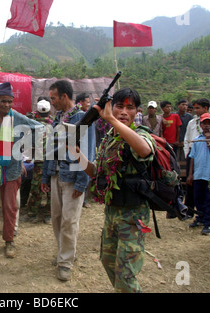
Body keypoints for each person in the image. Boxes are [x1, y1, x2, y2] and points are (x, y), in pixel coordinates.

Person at [69, 87, 155, 293]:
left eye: (130, 107)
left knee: (125, 273)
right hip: (112, 212)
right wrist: (77, 154)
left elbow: (144, 150)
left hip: (133, 216)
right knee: (108, 261)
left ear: (137, 112)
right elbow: (96, 172)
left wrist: (111, 119)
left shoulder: (140, 134)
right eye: (119, 106)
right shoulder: (109, 137)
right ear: (112, 107)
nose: (124, 111)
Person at [0, 82, 43, 259]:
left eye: (9, 101)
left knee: (10, 207)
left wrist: (23, 148)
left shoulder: (18, 118)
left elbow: (40, 127)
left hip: (12, 171)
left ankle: (9, 241)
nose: (6, 104)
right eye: (3, 101)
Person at [40, 80, 95, 281]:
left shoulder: (82, 117)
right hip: (56, 175)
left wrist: (82, 182)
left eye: (53, 98)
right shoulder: (57, 119)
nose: (51, 102)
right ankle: (66, 252)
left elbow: (87, 150)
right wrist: (46, 175)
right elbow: (50, 150)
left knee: (69, 221)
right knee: (57, 219)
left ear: (64, 96)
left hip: (72, 177)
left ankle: (65, 262)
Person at [183, 98, 210, 219]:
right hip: (194, 155)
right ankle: (190, 212)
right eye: (194, 108)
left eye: (198, 108)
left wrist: (208, 142)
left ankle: (207, 219)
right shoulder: (192, 122)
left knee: (208, 194)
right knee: (193, 189)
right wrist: (187, 154)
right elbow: (186, 138)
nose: (195, 110)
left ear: (205, 108)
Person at [186, 113, 210, 235]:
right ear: (200, 125)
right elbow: (192, 158)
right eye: (204, 123)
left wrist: (208, 142)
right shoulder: (196, 140)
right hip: (198, 174)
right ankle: (200, 218)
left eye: (209, 123)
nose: (206, 126)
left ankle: (208, 223)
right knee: (198, 198)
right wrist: (190, 174)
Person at [24, 98, 53, 223]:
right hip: (52, 161)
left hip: (39, 162)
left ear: (37, 110)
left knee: (36, 187)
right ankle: (49, 215)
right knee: (51, 188)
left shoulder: (32, 126)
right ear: (49, 111)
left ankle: (32, 214)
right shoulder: (55, 125)